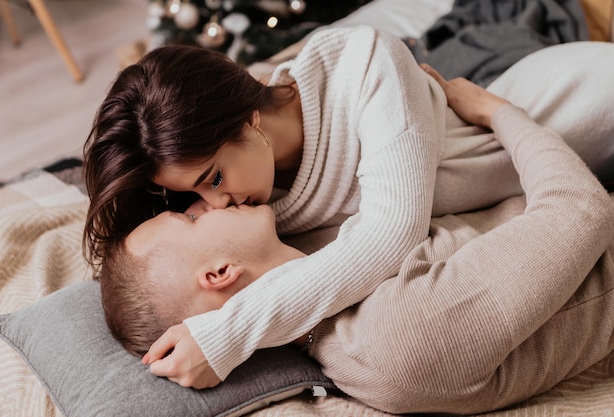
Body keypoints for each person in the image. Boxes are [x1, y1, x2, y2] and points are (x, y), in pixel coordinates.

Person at [83, 25, 614, 388]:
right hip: (538, 177)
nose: (214, 205)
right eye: (193, 199)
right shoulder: (254, 215)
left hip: (574, 107)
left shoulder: (363, 60)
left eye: (214, 178)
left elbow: (392, 232)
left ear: (248, 119)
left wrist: (227, 334)